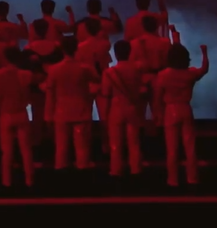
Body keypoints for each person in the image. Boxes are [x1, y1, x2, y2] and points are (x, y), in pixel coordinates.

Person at [42, 36, 101, 170]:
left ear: (62, 50)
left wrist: (48, 116)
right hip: (81, 110)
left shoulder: (54, 70)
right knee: (82, 147)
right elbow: (97, 80)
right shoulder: (85, 68)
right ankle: (83, 172)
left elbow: (50, 95)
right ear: (76, 48)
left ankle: (61, 174)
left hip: (61, 112)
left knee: (61, 147)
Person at [154, 43, 209, 187]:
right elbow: (204, 69)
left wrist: (158, 114)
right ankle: (192, 178)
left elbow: (158, 97)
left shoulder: (163, 75)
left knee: (172, 148)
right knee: (190, 147)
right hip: (185, 108)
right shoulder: (190, 74)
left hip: (170, 110)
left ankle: (173, 180)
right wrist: (204, 53)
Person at [0, 47, 38, 187]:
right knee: (26, 150)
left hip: (6, 114)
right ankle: (29, 179)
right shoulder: (26, 74)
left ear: (5, 58)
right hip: (22, 113)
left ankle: (6, 181)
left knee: (6, 151)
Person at [102, 40, 145, 176]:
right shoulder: (137, 70)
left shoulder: (110, 72)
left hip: (116, 108)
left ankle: (116, 170)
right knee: (134, 142)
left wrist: (105, 114)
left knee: (115, 143)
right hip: (132, 107)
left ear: (115, 54)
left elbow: (106, 93)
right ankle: (136, 169)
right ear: (129, 52)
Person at [74, 18, 113, 153]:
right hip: (102, 82)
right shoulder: (105, 44)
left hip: (87, 84)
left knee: (86, 117)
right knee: (105, 116)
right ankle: (106, 145)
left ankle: (86, 147)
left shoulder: (80, 47)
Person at [129, 16, 171, 130]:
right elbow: (168, 61)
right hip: (159, 77)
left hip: (141, 78)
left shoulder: (134, 43)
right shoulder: (164, 43)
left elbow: (132, 64)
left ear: (143, 27)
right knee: (159, 110)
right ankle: (160, 134)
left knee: (140, 111)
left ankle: (141, 134)